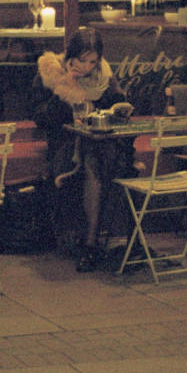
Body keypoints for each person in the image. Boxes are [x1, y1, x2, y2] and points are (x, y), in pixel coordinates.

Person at [31, 27, 134, 272]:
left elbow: (118, 108)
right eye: (82, 60)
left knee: (106, 160)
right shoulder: (50, 73)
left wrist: (119, 110)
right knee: (93, 164)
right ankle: (93, 243)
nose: (87, 67)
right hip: (66, 146)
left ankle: (114, 243)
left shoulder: (104, 76)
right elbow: (40, 118)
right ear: (70, 56)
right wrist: (65, 89)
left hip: (102, 143)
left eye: (93, 62)